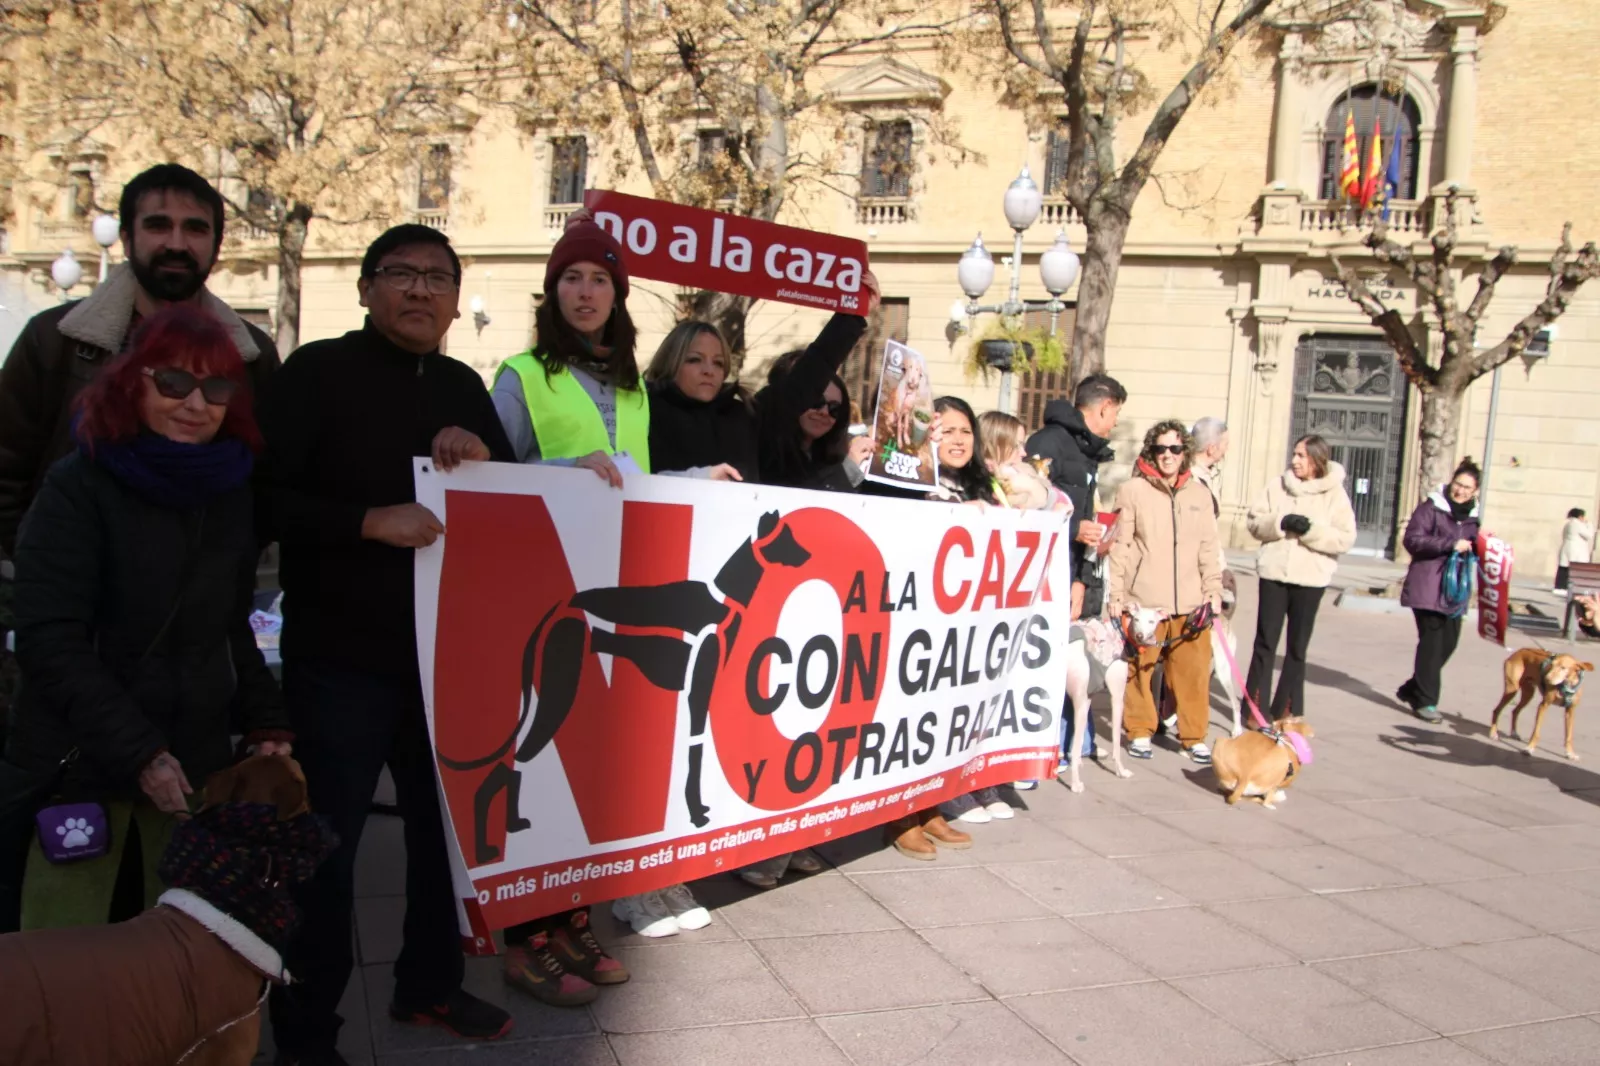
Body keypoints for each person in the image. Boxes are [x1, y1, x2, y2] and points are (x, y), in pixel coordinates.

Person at [257, 224, 515, 1061]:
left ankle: (429, 985)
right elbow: (262, 499)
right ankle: (306, 1033)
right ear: (367, 288)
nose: (420, 290)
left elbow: (508, 505)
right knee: (326, 851)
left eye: (438, 278)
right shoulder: (316, 374)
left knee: (445, 839)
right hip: (340, 662)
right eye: (401, 273)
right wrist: (368, 522)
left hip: (444, 661)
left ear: (455, 301)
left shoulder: (463, 384)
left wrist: (482, 459)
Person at [6, 307, 289, 930]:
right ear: (132, 383)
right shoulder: (78, 485)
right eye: (174, 382)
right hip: (83, 770)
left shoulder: (228, 491)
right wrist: (141, 752)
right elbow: (50, 639)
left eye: (216, 388)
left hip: (191, 770)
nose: (196, 404)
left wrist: (266, 720)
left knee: (177, 955)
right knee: (75, 959)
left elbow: (227, 623)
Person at [0, 164, 280, 559]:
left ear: (216, 245)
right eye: (158, 226)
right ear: (127, 238)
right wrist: (33, 559)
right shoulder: (55, 339)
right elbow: (7, 465)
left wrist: (226, 564)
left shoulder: (250, 354)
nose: (177, 244)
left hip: (199, 583)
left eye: (196, 229)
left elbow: (266, 480)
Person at [1108, 421, 1223, 765]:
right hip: (1145, 599)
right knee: (1140, 669)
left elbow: (1209, 546)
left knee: (1193, 673)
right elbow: (1120, 545)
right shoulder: (1132, 491)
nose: (1167, 455)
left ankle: (1193, 737)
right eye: (1160, 449)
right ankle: (1139, 731)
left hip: (1190, 600)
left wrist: (1213, 590)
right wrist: (1116, 594)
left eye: (1174, 448)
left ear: (1185, 451)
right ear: (1151, 451)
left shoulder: (1199, 494)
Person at [1026, 374, 1126, 763]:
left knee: (1069, 654)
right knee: (1040, 658)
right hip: (1039, 575)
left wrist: (1082, 581)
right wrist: (1073, 529)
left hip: (1070, 575)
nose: (1115, 423)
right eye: (1116, 413)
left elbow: (1084, 512)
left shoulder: (1087, 452)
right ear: (1104, 407)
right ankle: (1039, 743)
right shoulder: (1047, 444)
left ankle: (1073, 740)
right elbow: (1025, 507)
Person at [980, 410, 1072, 791]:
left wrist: (1042, 495)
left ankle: (1005, 767)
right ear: (995, 445)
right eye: (1016, 445)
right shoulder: (982, 486)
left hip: (1020, 607)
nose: (1023, 453)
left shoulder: (1026, 482)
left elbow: (1064, 506)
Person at [1243, 435, 1356, 722]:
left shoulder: (1335, 494)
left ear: (1317, 460)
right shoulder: (1277, 486)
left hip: (1311, 579)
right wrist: (1279, 523)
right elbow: (1254, 522)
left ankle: (1287, 709)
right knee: (1265, 642)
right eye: (1294, 454)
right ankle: (1255, 709)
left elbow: (1345, 538)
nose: (1295, 461)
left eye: (1302, 456)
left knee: (1297, 647)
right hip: (1274, 573)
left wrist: (1311, 531)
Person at [1396, 459, 1482, 724]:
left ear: (1475, 491)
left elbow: (1473, 545)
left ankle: (1412, 688)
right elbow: (1413, 540)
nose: (1461, 491)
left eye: (1467, 488)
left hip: (1454, 590)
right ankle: (1426, 702)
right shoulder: (1431, 507)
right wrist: (1450, 544)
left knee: (1449, 643)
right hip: (1428, 586)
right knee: (1432, 644)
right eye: (1458, 484)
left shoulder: (1474, 516)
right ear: (1451, 482)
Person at [1557, 508, 1594, 595]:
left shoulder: (1569, 524)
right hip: (1576, 550)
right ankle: (1569, 588)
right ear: (1580, 516)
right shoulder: (1578, 524)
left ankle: (1561, 587)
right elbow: (1589, 535)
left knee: (1564, 568)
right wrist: (1589, 525)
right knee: (1574, 569)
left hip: (1568, 548)